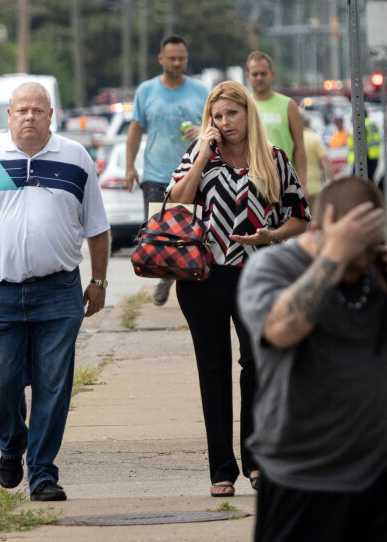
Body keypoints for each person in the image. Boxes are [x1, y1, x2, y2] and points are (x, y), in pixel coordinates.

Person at [237, 176, 387, 542]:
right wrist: (335, 257)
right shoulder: (272, 269)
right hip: (300, 481)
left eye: (371, 248)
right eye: (354, 254)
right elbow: (281, 329)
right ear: (320, 231)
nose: (362, 264)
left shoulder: (382, 264)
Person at [0, 82, 110, 502]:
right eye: (22, 110)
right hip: (0, 294)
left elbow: (98, 227)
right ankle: (12, 445)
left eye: (38, 110)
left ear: (51, 115)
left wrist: (100, 281)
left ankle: (43, 474)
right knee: (3, 382)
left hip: (59, 292)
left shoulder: (75, 158)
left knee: (54, 383)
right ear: (10, 115)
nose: (29, 117)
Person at [167, 81, 310, 497]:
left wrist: (268, 237)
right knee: (212, 371)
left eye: (231, 114)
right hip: (203, 277)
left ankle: (257, 460)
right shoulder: (200, 157)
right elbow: (177, 200)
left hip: (258, 278)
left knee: (258, 366)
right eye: (217, 116)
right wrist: (201, 155)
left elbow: (300, 217)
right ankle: (222, 470)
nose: (224, 123)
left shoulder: (275, 160)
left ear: (248, 115)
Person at [125, 35, 209, 307]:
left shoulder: (200, 91)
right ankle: (167, 276)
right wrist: (129, 166)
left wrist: (203, 131)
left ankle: (185, 278)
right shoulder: (147, 91)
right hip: (156, 173)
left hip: (192, 172)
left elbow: (214, 125)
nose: (176, 63)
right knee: (157, 232)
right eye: (171, 58)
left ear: (187, 58)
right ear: (161, 59)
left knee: (191, 230)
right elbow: (136, 129)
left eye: (181, 58)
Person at [246, 51, 307, 194]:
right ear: (248, 76)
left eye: (263, 73)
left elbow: (299, 147)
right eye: (255, 74)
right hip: (251, 182)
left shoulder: (288, 105)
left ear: (272, 74)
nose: (259, 78)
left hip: (284, 181)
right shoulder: (243, 105)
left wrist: (303, 182)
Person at [302, 113, 333, 207]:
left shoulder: (291, 139)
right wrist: (333, 182)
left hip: (296, 189)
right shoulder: (315, 138)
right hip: (314, 188)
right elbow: (326, 163)